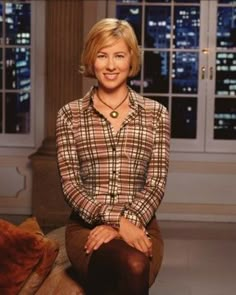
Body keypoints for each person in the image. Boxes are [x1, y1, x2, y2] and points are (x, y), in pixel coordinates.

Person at [56, 18, 170, 295]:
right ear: (90, 59)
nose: (110, 65)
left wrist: (129, 224)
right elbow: (71, 185)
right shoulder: (69, 115)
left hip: (142, 226)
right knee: (131, 264)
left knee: (135, 263)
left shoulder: (156, 114)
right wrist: (119, 223)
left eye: (119, 55)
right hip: (86, 229)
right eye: (102, 55)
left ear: (131, 60)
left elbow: (156, 183)